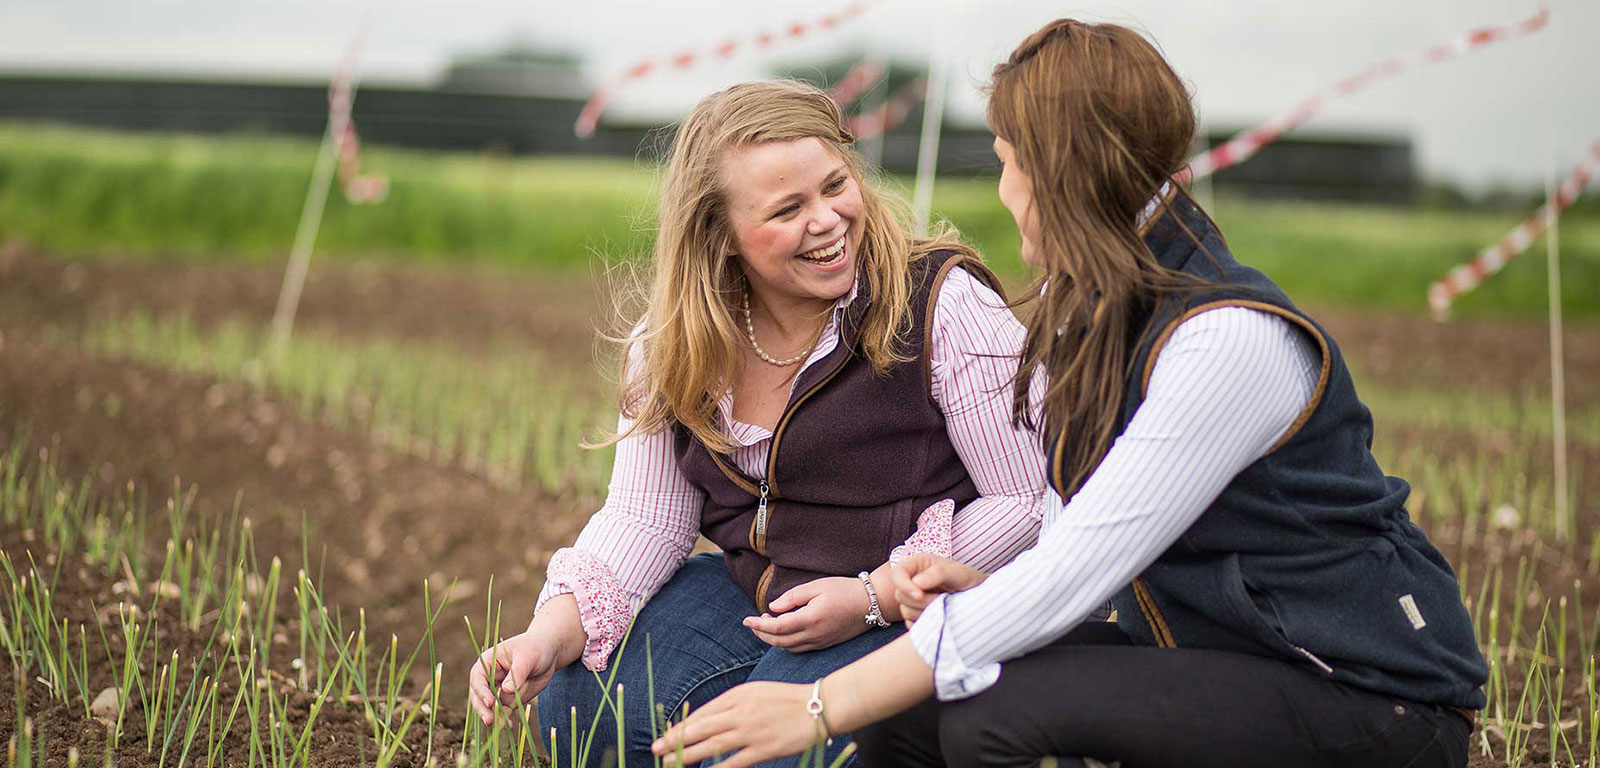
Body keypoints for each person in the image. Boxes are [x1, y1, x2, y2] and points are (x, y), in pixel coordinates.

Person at [651, 19, 1488, 768]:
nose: (1006, 191)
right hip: (1216, 651)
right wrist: (972, 591)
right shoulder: (1084, 309)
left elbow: (1079, 568)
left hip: (1365, 690)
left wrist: (815, 706)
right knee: (906, 721)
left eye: (1011, 165)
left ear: (1058, 174)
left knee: (988, 717)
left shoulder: (1227, 342)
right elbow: (1063, 540)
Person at [466, 80, 1051, 768]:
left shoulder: (944, 303)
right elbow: (645, 520)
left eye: (836, 185)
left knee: (776, 753)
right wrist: (547, 632)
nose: (828, 219)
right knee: (582, 708)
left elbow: (1031, 500)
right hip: (758, 597)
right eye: (787, 208)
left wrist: (875, 596)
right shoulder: (670, 345)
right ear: (721, 236)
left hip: (918, 605)